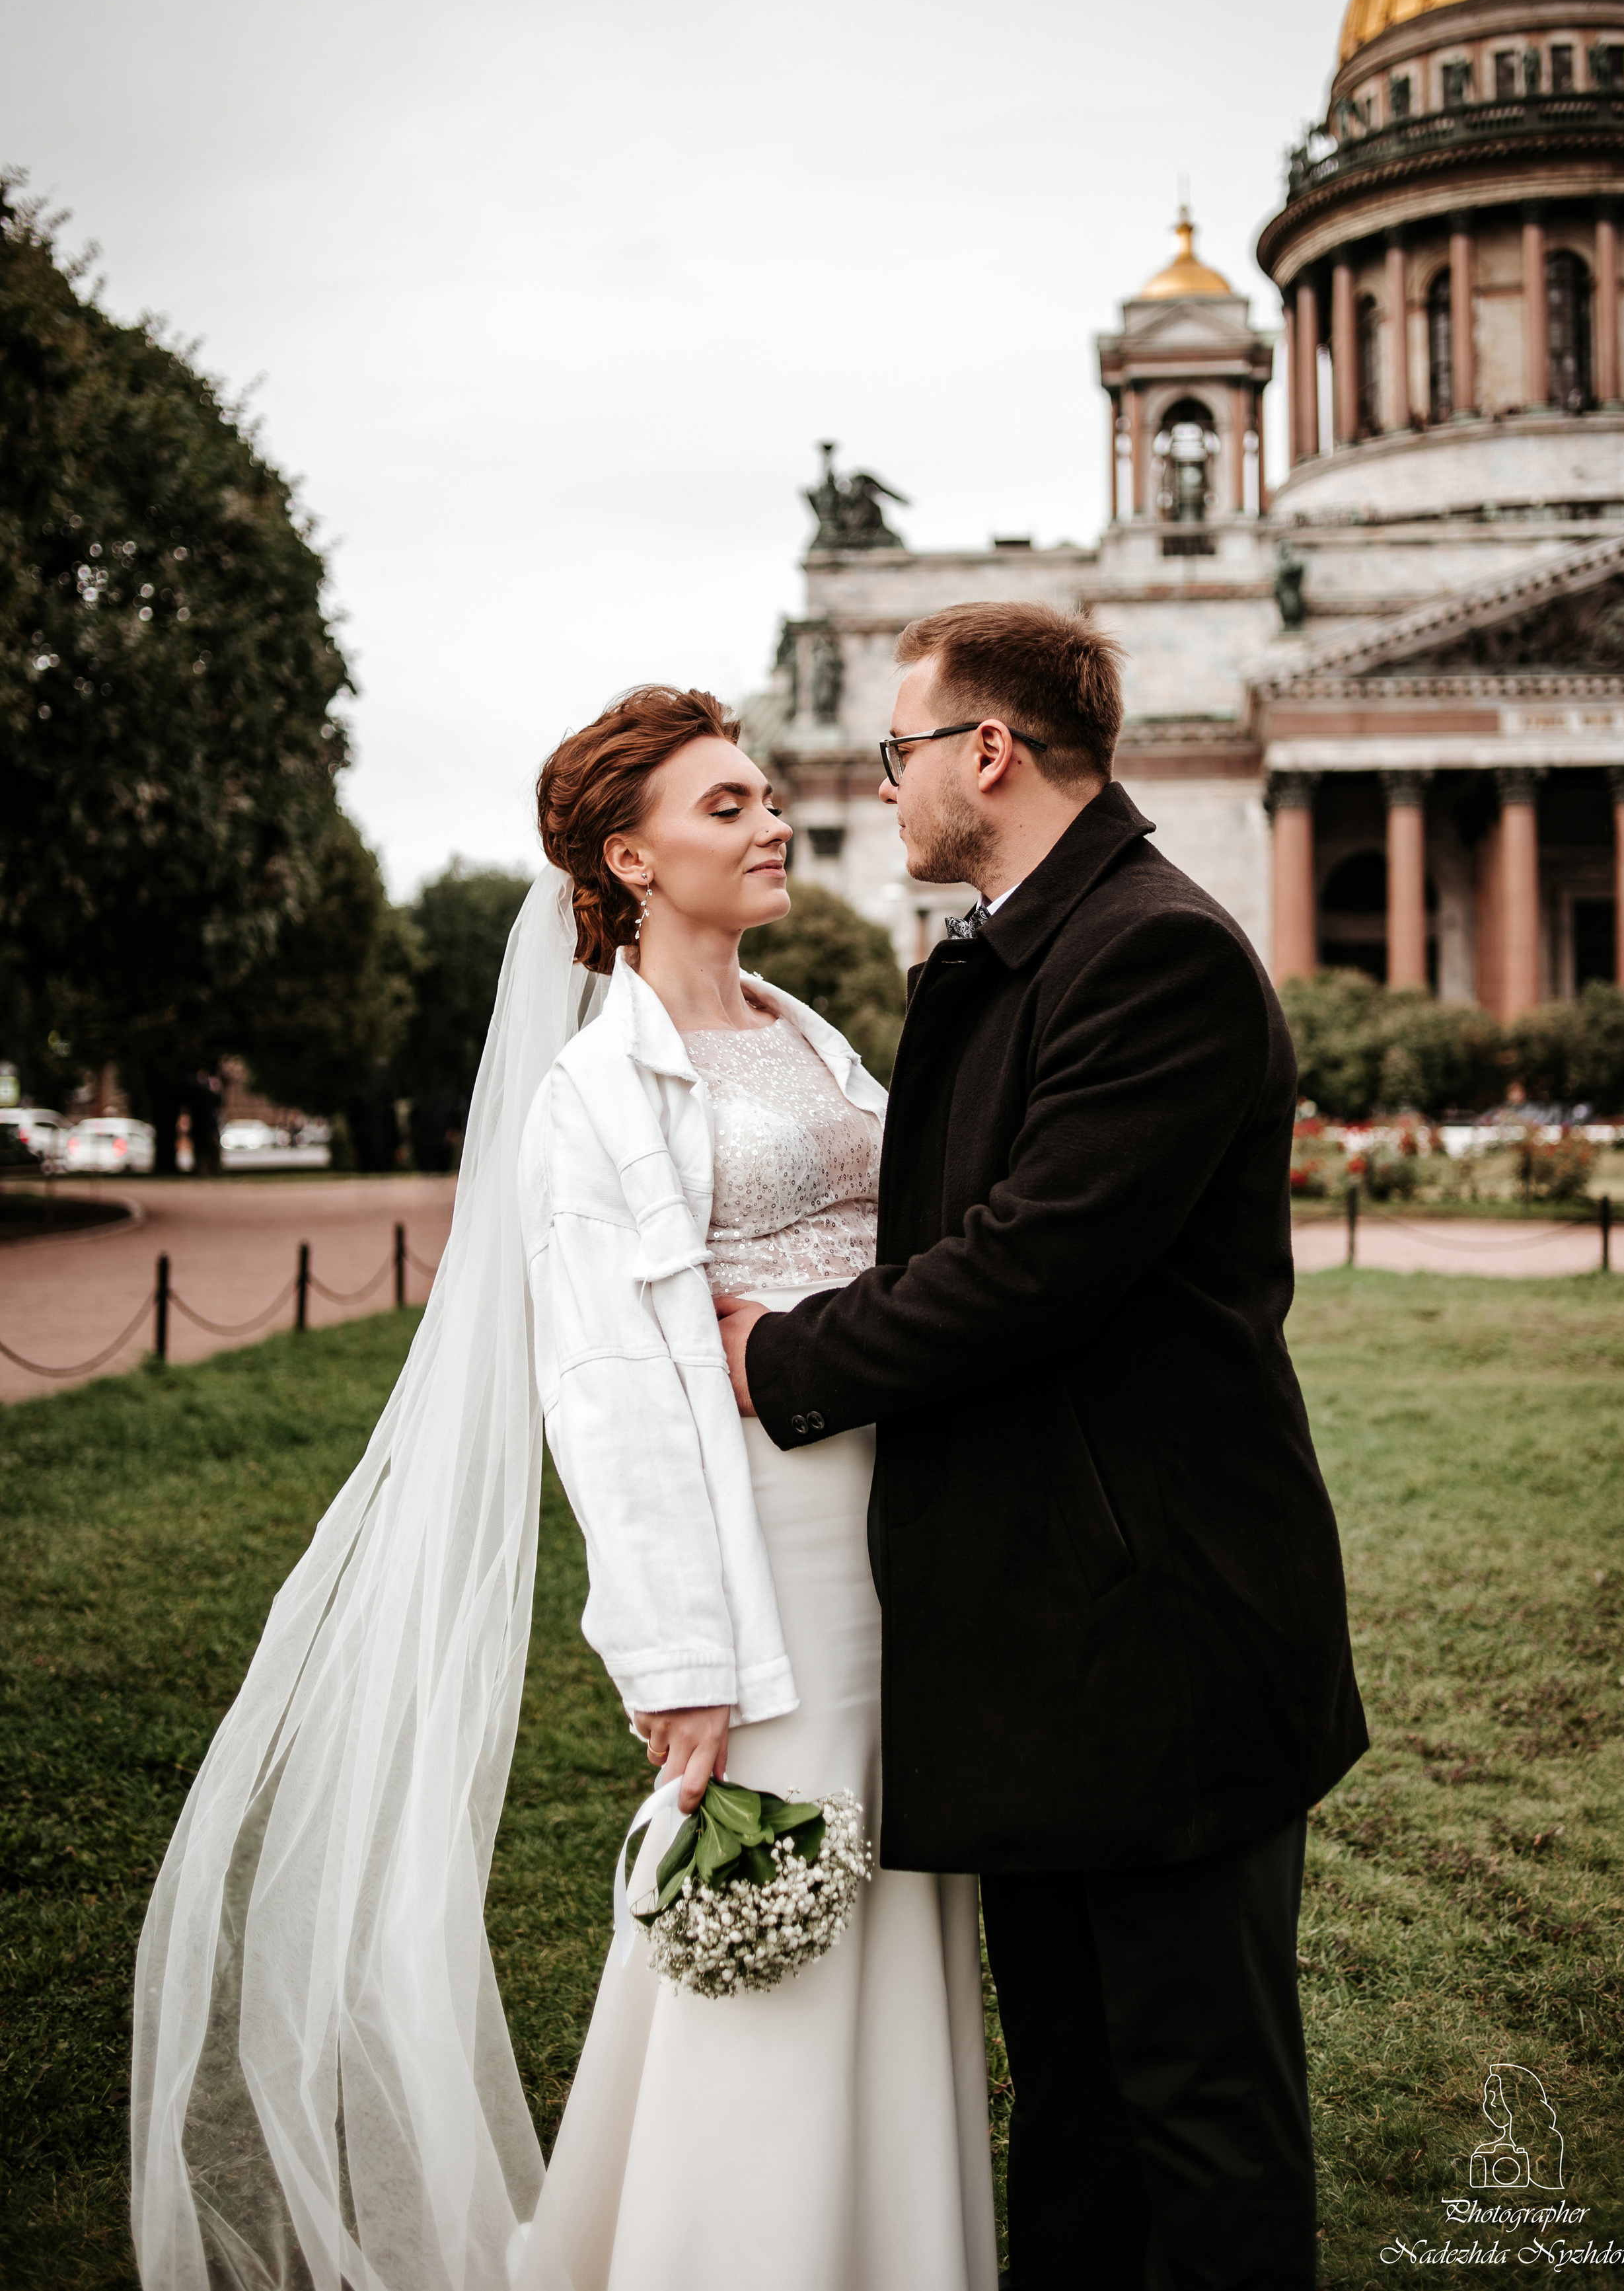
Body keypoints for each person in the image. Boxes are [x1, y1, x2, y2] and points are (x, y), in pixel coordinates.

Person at [130, 683, 994, 2291]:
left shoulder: (805, 1034)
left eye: (761, 795)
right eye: (723, 805)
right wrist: (678, 1666)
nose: (769, 820)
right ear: (631, 857)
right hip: (765, 1560)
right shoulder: (594, 1095)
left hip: (891, 1547)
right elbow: (599, 1400)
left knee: (883, 1910)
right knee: (773, 1909)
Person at [716, 603, 1370, 2291]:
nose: (889, 786)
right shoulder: (1017, 947)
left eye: (900, 753)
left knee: (1198, 2110)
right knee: (1072, 2105)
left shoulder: (1151, 949)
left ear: (986, 753)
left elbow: (1026, 1266)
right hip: (1047, 1644)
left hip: (1162, 1635)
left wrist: (778, 1352)